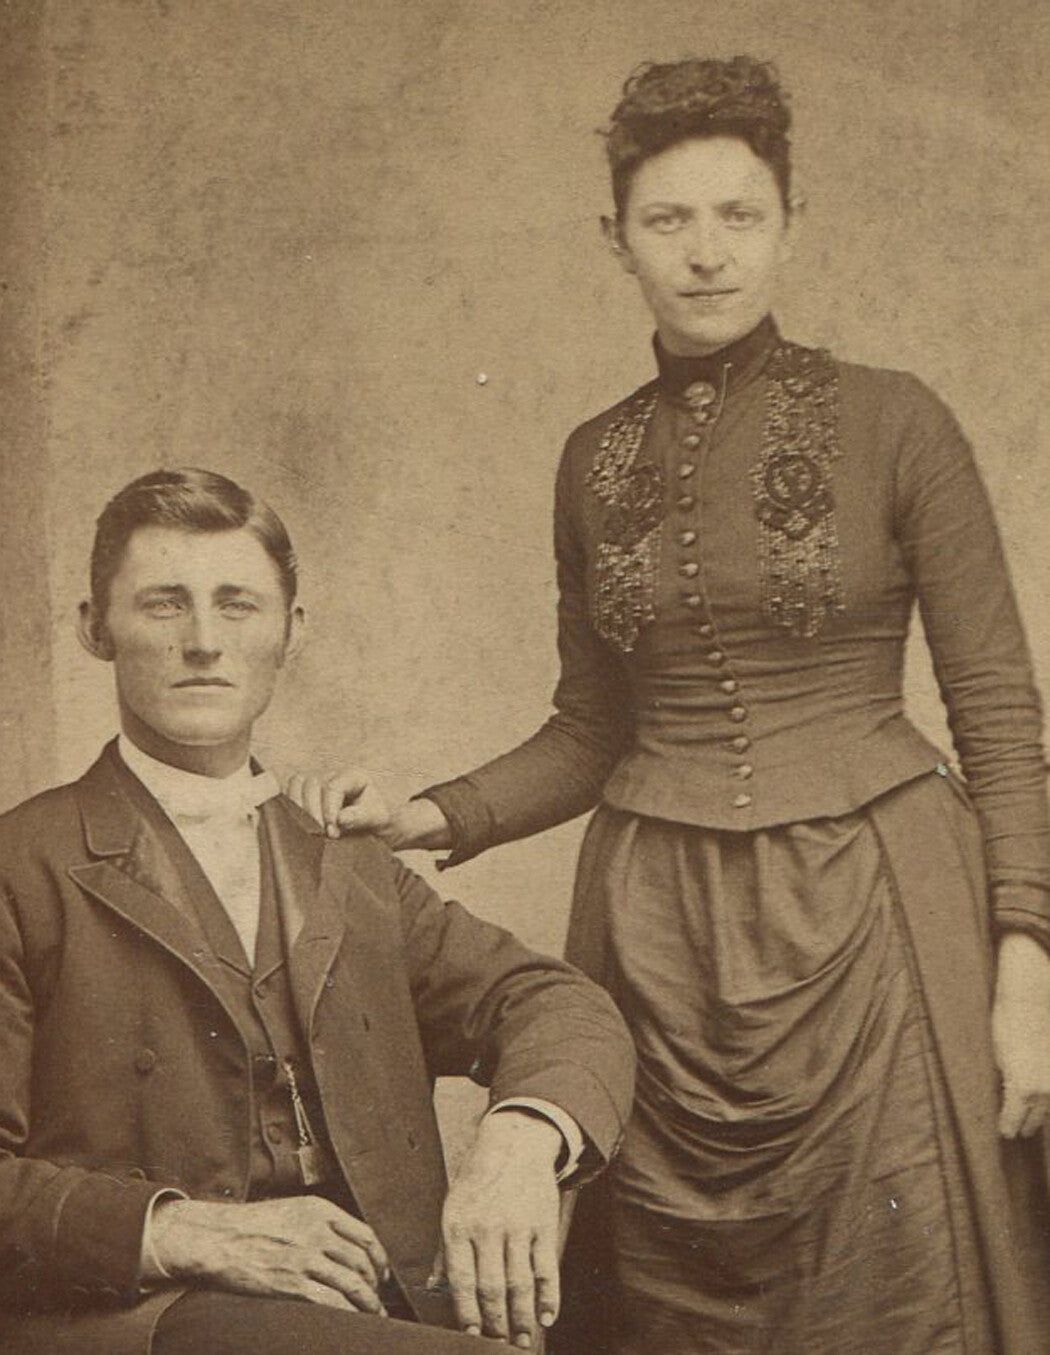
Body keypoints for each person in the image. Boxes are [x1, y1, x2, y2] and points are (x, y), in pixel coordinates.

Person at [287, 56, 1050, 1355]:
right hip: (657, 937)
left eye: (738, 214)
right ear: (616, 237)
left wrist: (1026, 965)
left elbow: (995, 708)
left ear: (789, 222)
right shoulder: (593, 459)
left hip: (875, 914)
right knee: (660, 1294)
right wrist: (425, 811)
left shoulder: (895, 421)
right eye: (668, 219)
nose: (705, 252)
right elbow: (592, 727)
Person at [0, 467, 635, 1355]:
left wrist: (521, 1141)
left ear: (291, 631)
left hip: (370, 1310)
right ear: (94, 627)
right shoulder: (22, 864)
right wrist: (182, 1231)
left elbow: (553, 1001)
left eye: (238, 605)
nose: (203, 643)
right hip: (136, 1314)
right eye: (164, 604)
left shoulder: (341, 856)